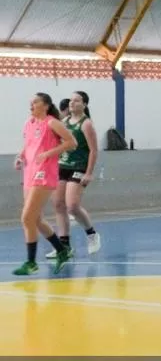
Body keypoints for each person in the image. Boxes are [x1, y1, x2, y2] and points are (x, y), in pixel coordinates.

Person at [13, 92, 76, 275]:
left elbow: (71, 143)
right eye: (30, 103)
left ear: (46, 105)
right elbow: (29, 144)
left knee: (26, 218)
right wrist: (20, 156)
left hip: (44, 173)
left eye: (35, 102)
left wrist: (49, 153)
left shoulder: (52, 122)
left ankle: (31, 262)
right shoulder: (29, 123)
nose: (31, 105)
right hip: (30, 172)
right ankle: (62, 251)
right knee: (37, 219)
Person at [48, 91, 101, 258]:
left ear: (84, 104)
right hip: (62, 166)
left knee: (72, 205)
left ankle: (92, 234)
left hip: (79, 167)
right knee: (58, 204)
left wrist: (89, 173)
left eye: (76, 101)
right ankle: (64, 246)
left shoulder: (86, 124)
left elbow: (93, 150)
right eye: (71, 100)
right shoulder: (63, 122)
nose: (72, 103)